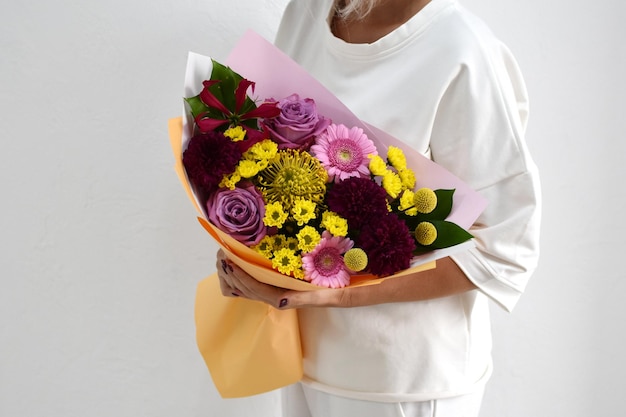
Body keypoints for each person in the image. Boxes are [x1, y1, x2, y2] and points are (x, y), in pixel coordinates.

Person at [216, 0, 541, 415]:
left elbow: (503, 247)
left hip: (401, 384)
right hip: (304, 359)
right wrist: (244, 251)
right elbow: (264, 152)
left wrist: (334, 297)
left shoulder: (459, 48)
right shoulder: (307, 11)